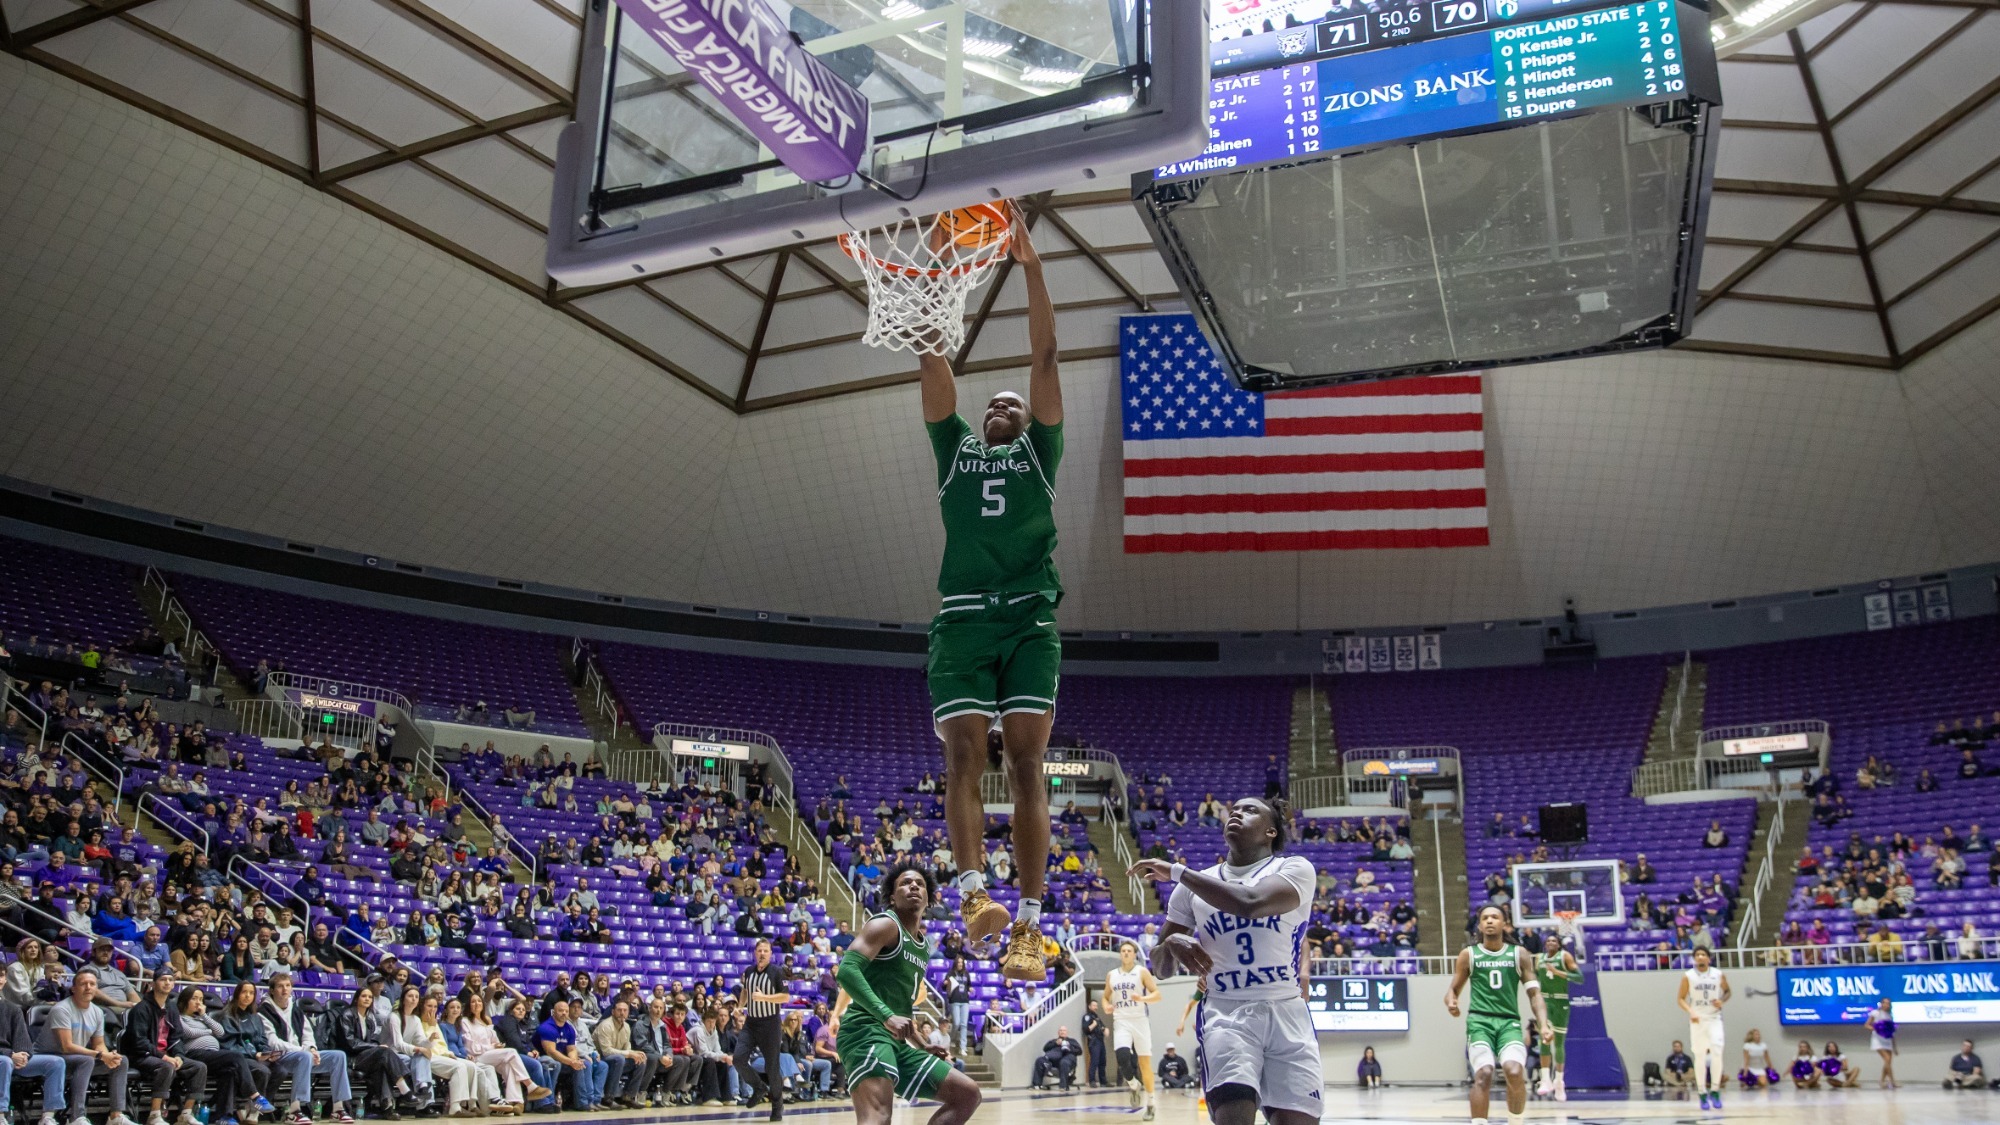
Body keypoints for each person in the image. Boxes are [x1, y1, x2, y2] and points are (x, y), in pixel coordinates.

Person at [919, 208, 1066, 982]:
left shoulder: (1042, 452)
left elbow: (1044, 355)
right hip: (966, 623)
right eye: (993, 404)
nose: (1001, 405)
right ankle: (977, 897)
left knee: (1028, 766)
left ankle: (1031, 930)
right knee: (966, 756)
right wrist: (943, 273)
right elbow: (933, 353)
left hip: (1030, 621)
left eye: (1012, 402)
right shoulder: (955, 454)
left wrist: (1032, 269)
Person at [1132, 796, 1323, 1125]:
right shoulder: (1191, 888)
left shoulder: (1295, 869)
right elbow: (1160, 969)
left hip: (1287, 1012)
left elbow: (1250, 902)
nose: (1237, 812)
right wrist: (1173, 943)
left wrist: (1177, 871)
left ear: (1271, 832)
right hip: (1226, 1013)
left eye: (1250, 810)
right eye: (1234, 809)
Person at [834, 863, 982, 1125]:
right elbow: (847, 971)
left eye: (920, 884)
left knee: (967, 1094)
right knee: (878, 1118)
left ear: (928, 898)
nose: (913, 886)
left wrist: (923, 1044)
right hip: (865, 1031)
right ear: (892, 896)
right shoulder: (885, 924)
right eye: (904, 883)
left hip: (897, 1040)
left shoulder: (922, 945)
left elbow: (900, 1005)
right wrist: (887, 1017)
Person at [1445, 906, 1553, 1125]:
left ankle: (1516, 1121)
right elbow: (1452, 990)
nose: (1490, 921)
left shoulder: (1519, 954)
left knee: (1514, 1071)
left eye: (1495, 917)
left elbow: (1534, 994)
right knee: (1484, 1073)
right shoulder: (1469, 954)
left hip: (1508, 1022)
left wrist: (1543, 1024)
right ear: (1480, 925)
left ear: (1505, 924)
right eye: (1485, 918)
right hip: (1479, 1021)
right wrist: (1451, 1001)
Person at [39, 968, 142, 1125]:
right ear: (73, 988)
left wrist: (108, 1056)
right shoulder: (62, 1009)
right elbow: (66, 1046)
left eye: (92, 984)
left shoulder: (97, 1012)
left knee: (121, 1061)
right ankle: (77, 1117)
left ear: (96, 988)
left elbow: (99, 1044)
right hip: (51, 1059)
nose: (88, 987)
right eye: (83, 984)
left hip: (77, 1061)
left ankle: (115, 1116)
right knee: (86, 1061)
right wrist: (100, 1055)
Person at [258, 973, 356, 1124]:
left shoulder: (295, 1009)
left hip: (302, 1054)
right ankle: (295, 1111)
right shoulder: (264, 1011)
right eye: (280, 986)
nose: (285, 989)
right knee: (304, 1057)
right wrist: (302, 1051)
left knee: (338, 1056)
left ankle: (338, 1108)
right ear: (271, 990)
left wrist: (311, 1049)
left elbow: (307, 1034)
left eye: (288, 985)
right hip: (279, 1057)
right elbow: (273, 1042)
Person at [120, 970, 207, 1125]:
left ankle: (185, 1114)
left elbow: (176, 1037)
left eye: (170, 979)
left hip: (166, 1055)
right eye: (163, 979)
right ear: (153, 984)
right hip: (140, 1055)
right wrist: (164, 1057)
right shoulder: (141, 1009)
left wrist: (179, 1055)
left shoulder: (172, 1008)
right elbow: (138, 1042)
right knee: (166, 1067)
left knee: (199, 1067)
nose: (167, 983)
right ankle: (154, 1115)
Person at [177, 987, 271, 1125]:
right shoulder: (179, 1017)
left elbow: (220, 1032)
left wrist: (204, 1016)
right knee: (236, 1056)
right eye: (194, 998)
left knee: (231, 1071)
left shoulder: (203, 1018)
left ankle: (223, 1116)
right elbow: (189, 1033)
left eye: (201, 999)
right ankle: (255, 1096)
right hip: (194, 1055)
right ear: (185, 1000)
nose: (198, 1002)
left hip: (212, 1056)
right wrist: (210, 1032)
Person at [1104, 942, 1162, 1118]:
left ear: (1134, 954)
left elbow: (1157, 994)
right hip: (1121, 1020)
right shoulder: (1111, 975)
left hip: (1140, 1020)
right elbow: (1106, 997)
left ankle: (1151, 1102)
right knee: (1122, 1056)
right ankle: (1133, 1084)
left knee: (1144, 1065)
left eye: (1129, 951)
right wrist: (1106, 1006)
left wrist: (1143, 998)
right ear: (1120, 954)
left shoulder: (1142, 972)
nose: (1126, 953)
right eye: (1123, 951)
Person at [0, 991, 73, 1125]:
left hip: (14, 1059)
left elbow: (23, 1040)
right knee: (4, 1062)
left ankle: (48, 1116)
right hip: (6, 1058)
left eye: (1, 976)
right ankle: (0, 1115)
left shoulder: (13, 1008)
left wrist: (23, 1055)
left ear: (4, 980)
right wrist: (9, 1054)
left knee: (55, 1062)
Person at [735, 940, 789, 1120]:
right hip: (751, 1023)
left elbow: (785, 997)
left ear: (771, 954)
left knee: (772, 1067)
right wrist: (740, 1006)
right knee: (738, 1059)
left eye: (766, 951)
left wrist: (764, 997)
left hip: (770, 1024)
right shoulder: (749, 971)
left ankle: (777, 1104)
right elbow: (745, 991)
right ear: (755, 953)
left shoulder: (777, 972)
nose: (762, 953)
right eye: (759, 950)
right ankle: (759, 1088)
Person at [1677, 946, 1730, 1112]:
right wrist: (1690, 1011)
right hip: (1697, 1019)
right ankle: (1701, 1092)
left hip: (1714, 1018)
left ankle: (1715, 1090)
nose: (1700, 957)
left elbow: (1727, 991)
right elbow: (1680, 999)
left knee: (1717, 1051)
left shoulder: (1718, 974)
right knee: (1699, 1056)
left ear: (1708, 958)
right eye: (1697, 955)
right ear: (1694, 959)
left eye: (1703, 954)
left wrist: (1722, 1000)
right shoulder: (1688, 976)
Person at [537, 1001, 606, 1111]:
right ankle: (549, 1101)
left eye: (566, 1011)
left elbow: (572, 1049)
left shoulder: (569, 1029)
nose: (564, 1013)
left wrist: (574, 1061)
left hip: (563, 1059)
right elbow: (551, 1052)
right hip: (544, 1058)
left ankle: (583, 1102)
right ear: (554, 1012)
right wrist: (571, 1062)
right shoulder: (547, 1027)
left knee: (584, 1064)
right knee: (556, 1064)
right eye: (560, 1011)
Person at [1534, 936, 1577, 1101]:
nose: (1550, 943)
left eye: (1554, 941)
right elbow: (1535, 978)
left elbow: (1579, 977)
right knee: (1543, 1039)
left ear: (1558, 944)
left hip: (1560, 1000)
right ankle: (1545, 1079)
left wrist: (1558, 972)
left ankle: (1559, 1081)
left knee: (1559, 1043)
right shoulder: (1539, 958)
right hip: (1545, 1000)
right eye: (1548, 941)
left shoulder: (1565, 956)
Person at [1864, 997, 1897, 1089]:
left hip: (1888, 1040)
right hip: (1878, 1039)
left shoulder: (1890, 1015)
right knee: (1887, 1059)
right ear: (1881, 1004)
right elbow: (1866, 1025)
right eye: (1884, 1003)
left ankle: (1882, 1081)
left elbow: (1892, 1031)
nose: (1886, 1005)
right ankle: (1892, 1081)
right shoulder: (1875, 1013)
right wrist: (1876, 1029)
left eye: (1888, 1003)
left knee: (1888, 1062)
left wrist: (1895, 1047)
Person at [1081, 1001, 1107, 1088]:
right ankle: (1092, 1080)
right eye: (1094, 1005)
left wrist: (1105, 1030)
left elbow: (1102, 1027)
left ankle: (1103, 1082)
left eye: (1096, 1005)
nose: (1095, 1007)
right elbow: (1086, 1030)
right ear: (1089, 1006)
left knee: (1102, 1061)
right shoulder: (1087, 1017)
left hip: (1100, 1040)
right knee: (1094, 1061)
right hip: (1094, 1041)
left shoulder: (1097, 1017)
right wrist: (1093, 1024)